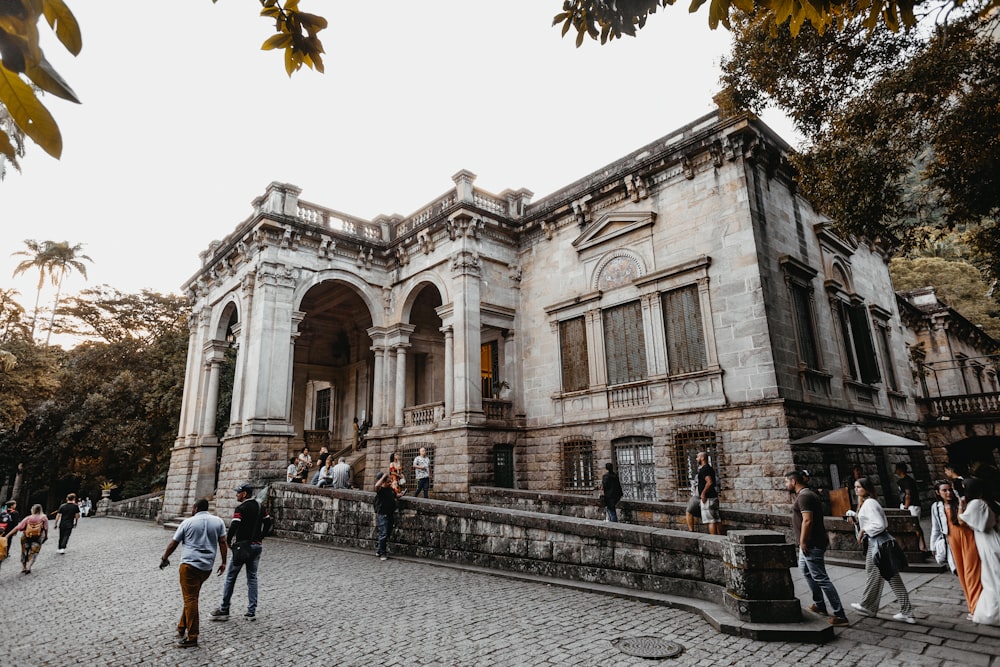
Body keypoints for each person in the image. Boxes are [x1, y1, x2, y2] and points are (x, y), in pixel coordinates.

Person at [160, 498, 228, 648]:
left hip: (189, 565)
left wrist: (165, 558)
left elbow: (174, 543)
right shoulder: (218, 521)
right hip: (206, 567)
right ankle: (181, 627)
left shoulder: (187, 522)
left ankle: (192, 637)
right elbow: (223, 542)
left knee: (190, 599)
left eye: (192, 507)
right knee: (192, 596)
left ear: (196, 508)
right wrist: (223, 562)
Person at [786, 470, 849, 626]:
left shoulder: (805, 496)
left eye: (786, 481)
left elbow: (807, 521)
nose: (785, 485)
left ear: (794, 482)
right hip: (808, 543)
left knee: (821, 578)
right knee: (806, 571)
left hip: (811, 543)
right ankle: (819, 604)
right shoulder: (806, 494)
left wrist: (803, 541)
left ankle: (840, 615)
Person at [849, 477, 915, 623]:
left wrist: (863, 530)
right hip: (879, 543)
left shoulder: (870, 503)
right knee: (891, 577)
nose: (856, 489)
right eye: (855, 487)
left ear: (866, 488)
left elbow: (880, 524)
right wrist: (856, 521)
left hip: (878, 544)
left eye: (859, 487)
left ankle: (868, 606)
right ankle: (906, 611)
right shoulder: (867, 503)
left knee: (875, 574)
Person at [211, 483, 264, 622]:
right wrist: (261, 536)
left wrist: (228, 541)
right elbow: (269, 523)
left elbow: (234, 525)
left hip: (242, 547)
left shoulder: (241, 508)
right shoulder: (260, 506)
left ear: (244, 494)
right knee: (252, 578)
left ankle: (224, 609)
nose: (236, 495)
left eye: (238, 493)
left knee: (230, 577)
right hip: (257, 546)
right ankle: (251, 611)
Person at [930, 479, 981, 618]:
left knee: (972, 573)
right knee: (963, 574)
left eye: (949, 490)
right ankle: (972, 606)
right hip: (952, 541)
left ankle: (977, 608)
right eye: (944, 490)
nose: (948, 493)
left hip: (968, 538)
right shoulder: (936, 506)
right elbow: (936, 527)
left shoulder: (961, 502)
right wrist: (932, 546)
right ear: (938, 493)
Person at [959, 478, 1000, 626]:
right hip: (995, 541)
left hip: (988, 544)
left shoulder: (976, 503)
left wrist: (960, 505)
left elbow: (962, 520)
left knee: (993, 580)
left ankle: (993, 614)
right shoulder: (991, 502)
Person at [7, 503, 48, 574]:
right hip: (38, 537)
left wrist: (7, 535)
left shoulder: (28, 518)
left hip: (26, 536)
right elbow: (46, 528)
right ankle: (29, 566)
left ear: (33, 510)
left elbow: (18, 527)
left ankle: (24, 567)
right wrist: (46, 536)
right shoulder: (44, 517)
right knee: (34, 552)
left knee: (24, 552)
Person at [895, 462, 927, 551]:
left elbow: (908, 495)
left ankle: (916, 545)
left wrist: (906, 507)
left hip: (912, 506)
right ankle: (922, 545)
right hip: (907, 505)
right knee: (915, 526)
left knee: (914, 526)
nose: (895, 470)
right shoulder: (901, 481)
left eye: (897, 468)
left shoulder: (907, 481)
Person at [696, 451, 722, 535]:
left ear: (702, 458)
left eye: (698, 457)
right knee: (717, 520)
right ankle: (720, 538)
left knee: (711, 521)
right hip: (713, 497)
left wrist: (703, 493)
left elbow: (709, 482)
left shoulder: (704, 469)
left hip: (708, 498)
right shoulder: (710, 468)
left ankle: (714, 540)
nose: (696, 459)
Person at [373, 471, 397, 561]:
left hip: (390, 513)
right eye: (388, 482)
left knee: (387, 533)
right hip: (383, 514)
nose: (390, 483)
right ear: (383, 482)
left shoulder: (390, 489)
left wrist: (400, 495)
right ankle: (383, 553)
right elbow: (376, 486)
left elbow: (395, 496)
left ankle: (379, 550)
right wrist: (383, 477)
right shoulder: (381, 490)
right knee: (383, 533)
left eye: (390, 482)